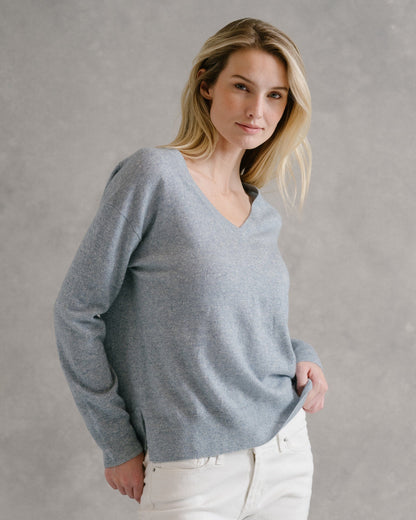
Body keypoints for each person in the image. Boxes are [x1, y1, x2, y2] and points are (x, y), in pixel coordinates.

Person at [54, 17, 328, 519]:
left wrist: (301, 353)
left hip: (285, 452)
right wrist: (117, 441)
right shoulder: (153, 176)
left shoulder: (261, 214)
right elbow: (76, 313)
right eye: (242, 87)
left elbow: (239, 325)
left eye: (275, 96)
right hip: (194, 465)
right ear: (206, 85)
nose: (257, 109)